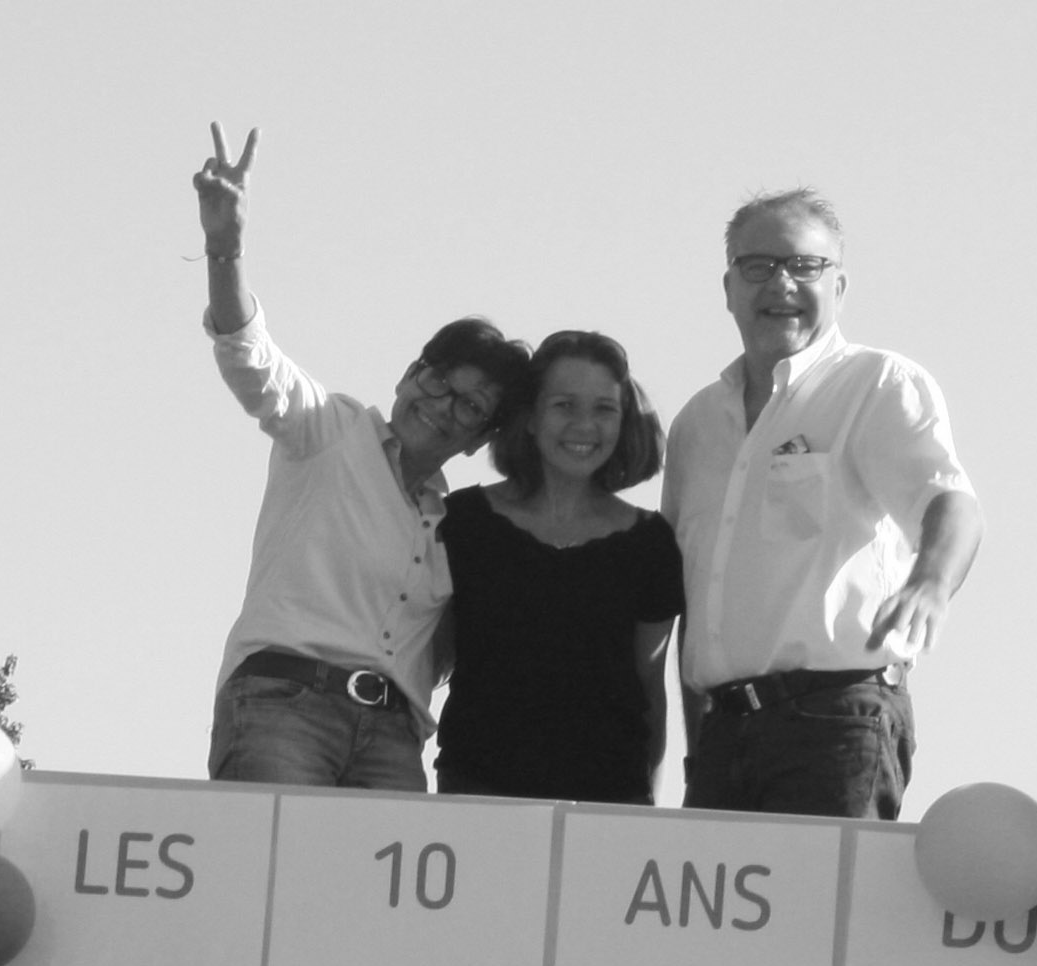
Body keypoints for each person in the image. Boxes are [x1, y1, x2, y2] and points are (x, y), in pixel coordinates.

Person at [194, 123, 532, 788]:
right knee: (266, 884)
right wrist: (224, 248)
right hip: (282, 707)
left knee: (378, 896)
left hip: (391, 738)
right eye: (438, 379)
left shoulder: (455, 525)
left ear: (477, 441)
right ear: (409, 373)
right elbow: (249, 357)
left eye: (468, 407)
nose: (441, 404)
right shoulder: (329, 428)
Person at [662, 188, 983, 820]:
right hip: (722, 738)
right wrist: (697, 744)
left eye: (804, 266)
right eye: (758, 266)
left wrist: (930, 583)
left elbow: (951, 500)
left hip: (836, 724)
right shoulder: (697, 424)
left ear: (840, 287)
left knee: (822, 917)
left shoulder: (876, 385)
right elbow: (691, 597)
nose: (780, 282)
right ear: (728, 287)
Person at [435, 331, 684, 804]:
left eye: (604, 408)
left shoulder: (650, 543)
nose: (584, 425)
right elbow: (430, 656)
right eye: (565, 405)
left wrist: (648, 809)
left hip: (609, 801)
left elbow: (650, 688)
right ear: (529, 417)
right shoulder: (463, 523)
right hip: (478, 793)